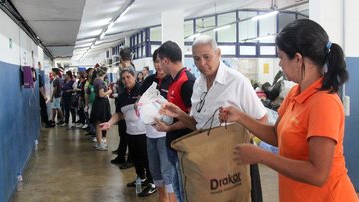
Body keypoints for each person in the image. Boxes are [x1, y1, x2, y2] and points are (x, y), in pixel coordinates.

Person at [219, 19, 358, 202]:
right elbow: (277, 136)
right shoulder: (295, 93)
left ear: (298, 59)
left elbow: (318, 174)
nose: (279, 64)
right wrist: (240, 116)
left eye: (281, 57)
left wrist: (262, 156)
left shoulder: (324, 103)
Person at [159, 35, 267, 202]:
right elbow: (197, 125)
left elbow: (263, 120)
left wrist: (241, 141)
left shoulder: (236, 81)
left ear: (218, 54)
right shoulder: (199, 84)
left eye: (207, 57)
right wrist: (179, 114)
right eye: (196, 59)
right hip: (208, 159)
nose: (202, 63)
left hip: (234, 160)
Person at [100, 69, 157, 197]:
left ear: (134, 76)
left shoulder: (142, 90)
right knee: (135, 158)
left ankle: (152, 183)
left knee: (146, 158)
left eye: (128, 77)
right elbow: (119, 114)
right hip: (130, 132)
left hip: (144, 132)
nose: (126, 80)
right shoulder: (122, 95)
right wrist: (109, 123)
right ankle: (141, 178)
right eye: (124, 78)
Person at [152, 41, 195, 202]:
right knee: (178, 191)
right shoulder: (174, 80)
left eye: (159, 61)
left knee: (184, 192)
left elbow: (193, 121)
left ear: (165, 60)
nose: (158, 65)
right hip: (173, 144)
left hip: (183, 145)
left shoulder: (187, 83)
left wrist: (168, 128)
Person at [139, 49, 176, 201]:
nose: (159, 65)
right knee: (155, 171)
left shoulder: (172, 81)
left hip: (165, 134)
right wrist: (139, 106)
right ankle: (162, 198)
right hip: (150, 134)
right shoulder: (149, 81)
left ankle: (171, 199)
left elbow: (175, 108)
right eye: (156, 61)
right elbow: (140, 101)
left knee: (167, 171)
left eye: (162, 61)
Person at [110, 47, 135, 169]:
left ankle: (129, 159)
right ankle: (122, 155)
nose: (126, 79)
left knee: (127, 132)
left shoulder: (128, 69)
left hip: (127, 104)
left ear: (121, 58)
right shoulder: (128, 68)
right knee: (123, 132)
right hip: (123, 101)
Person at [90, 66, 112, 151]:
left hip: (97, 103)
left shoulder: (95, 80)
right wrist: (109, 92)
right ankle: (99, 143)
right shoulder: (101, 82)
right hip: (101, 103)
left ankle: (99, 142)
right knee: (99, 123)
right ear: (105, 73)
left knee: (97, 123)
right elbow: (101, 94)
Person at [38, 62, 55, 128]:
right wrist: (44, 96)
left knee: (43, 109)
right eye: (40, 65)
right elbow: (40, 87)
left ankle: (46, 122)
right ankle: (47, 123)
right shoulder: (38, 75)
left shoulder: (38, 75)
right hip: (41, 96)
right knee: (44, 109)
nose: (40, 67)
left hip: (40, 95)